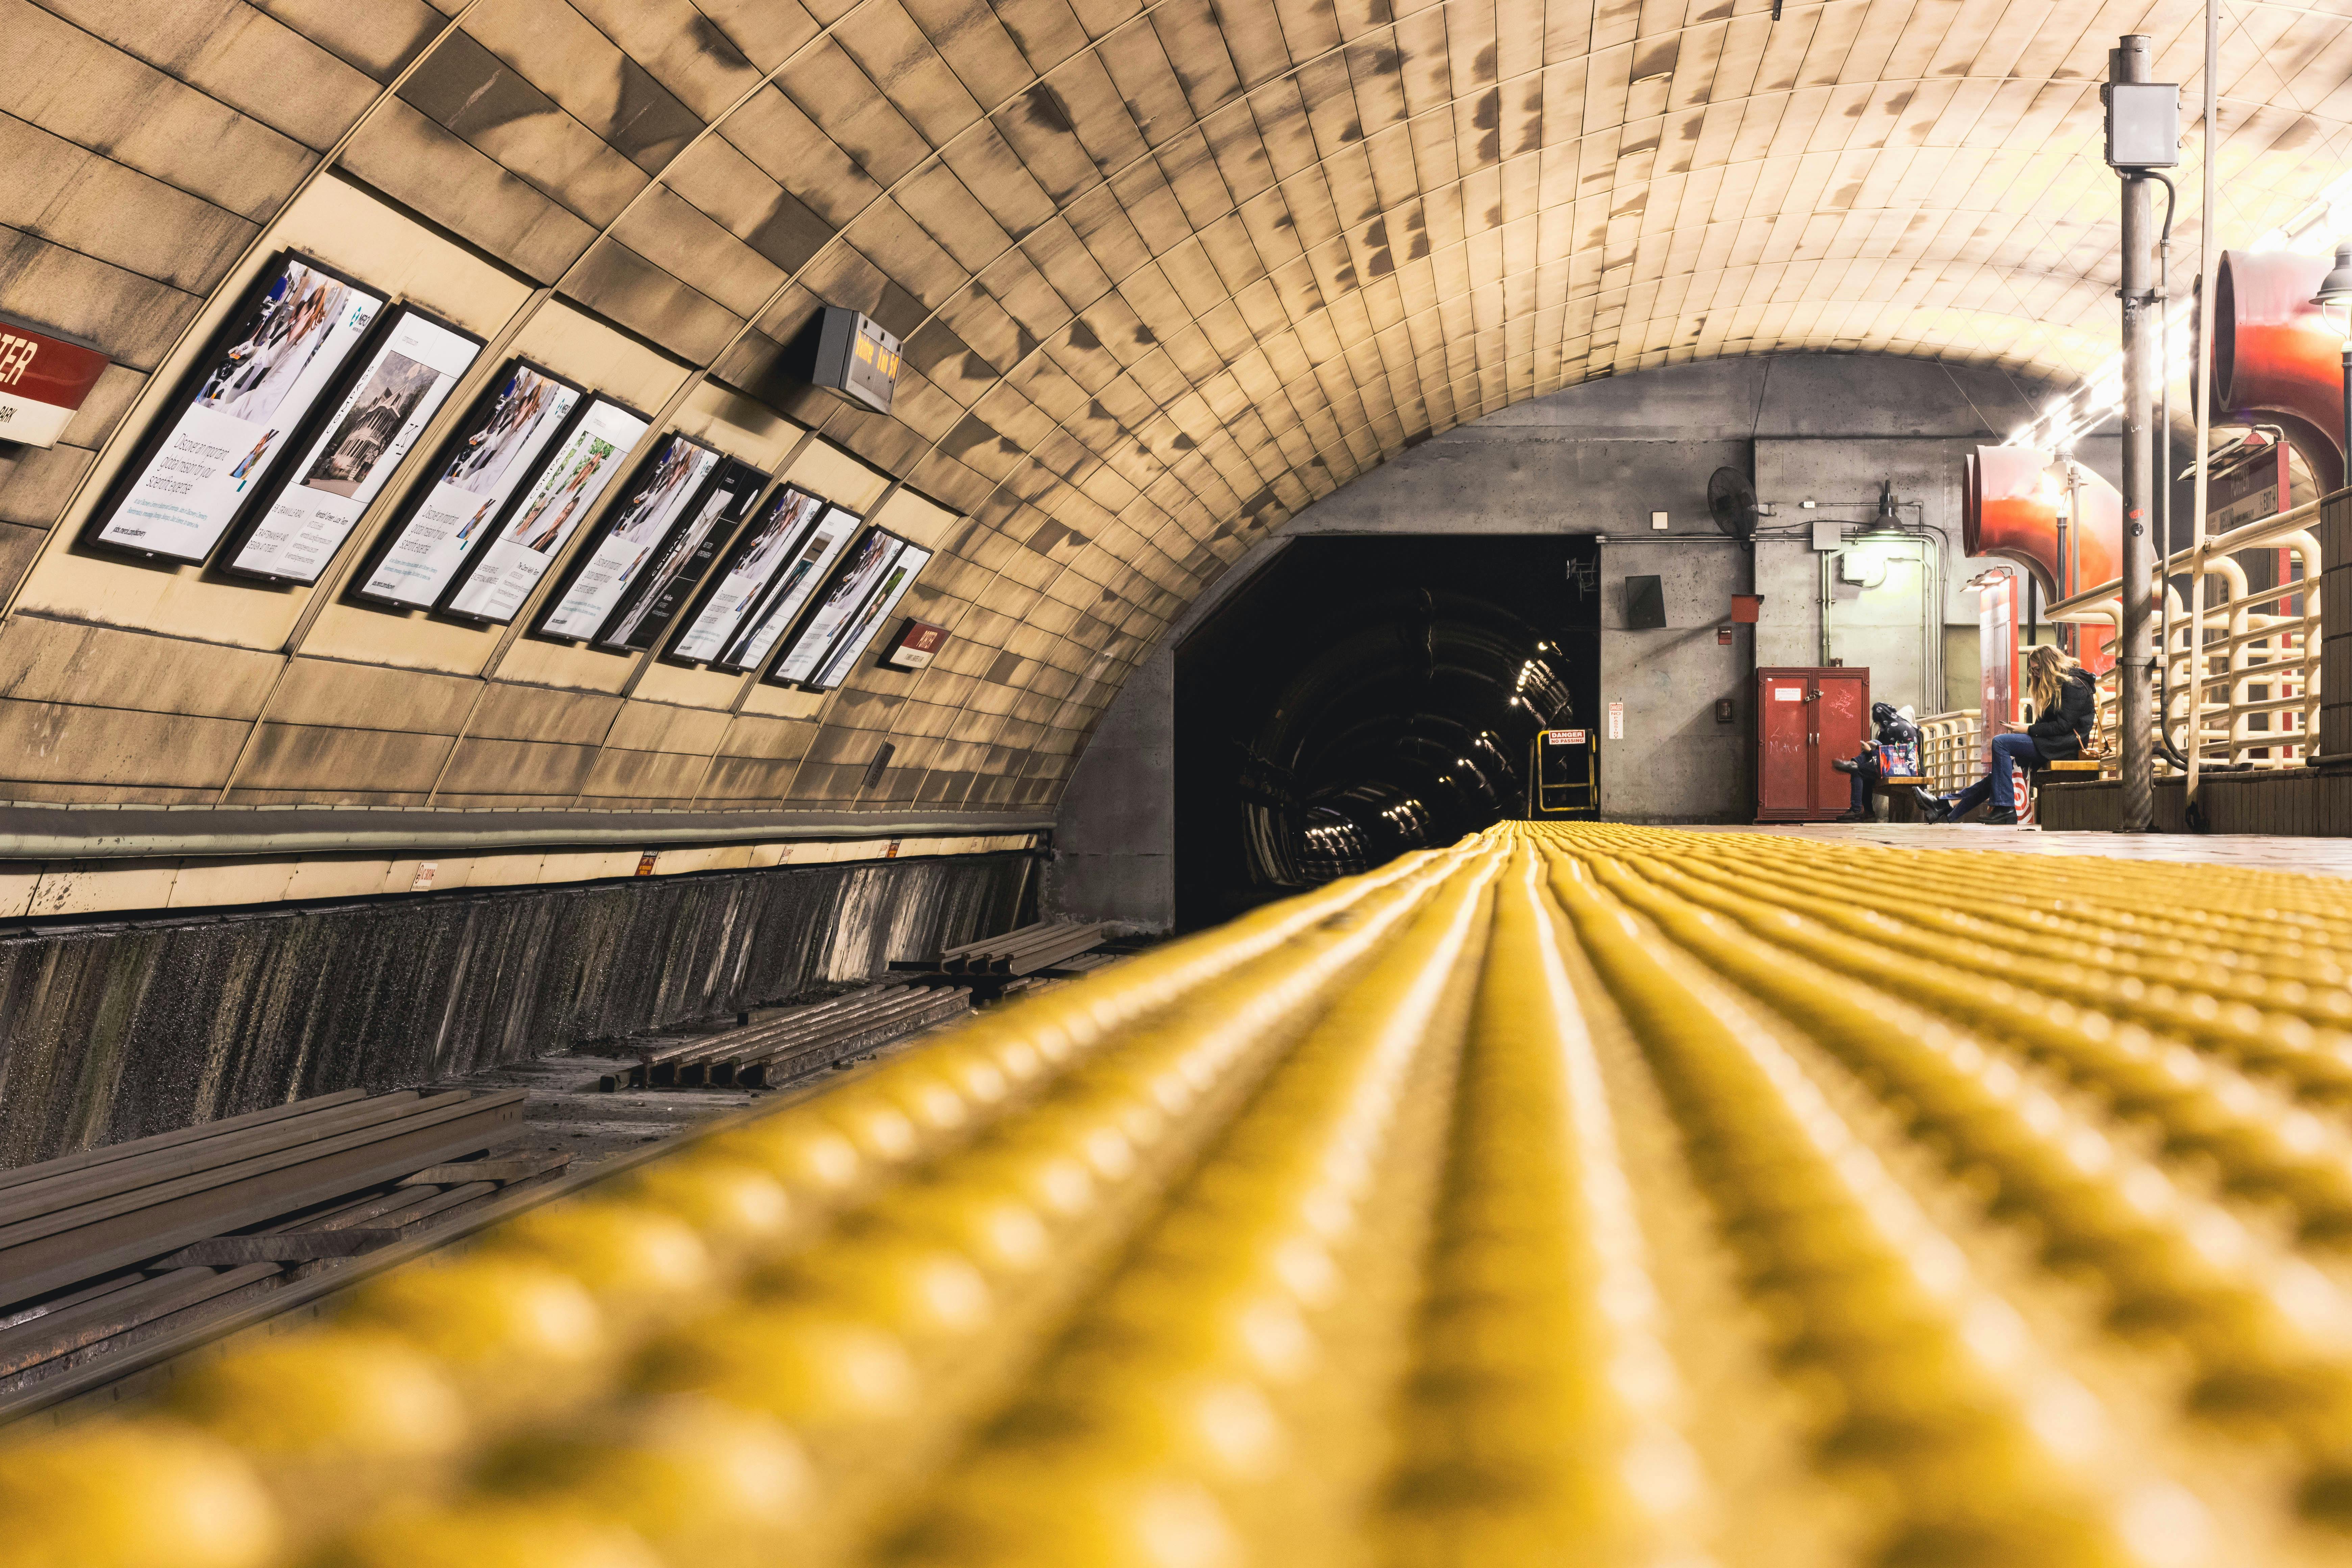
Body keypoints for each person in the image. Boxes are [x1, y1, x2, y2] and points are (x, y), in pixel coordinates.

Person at [1918, 644, 2094, 825]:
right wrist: (2029, 729)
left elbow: (2063, 726)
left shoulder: (2074, 686)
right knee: (1999, 775)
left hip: (2065, 747)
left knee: (2001, 742)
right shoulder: (2060, 684)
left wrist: (2027, 730)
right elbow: (2052, 724)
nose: (2035, 675)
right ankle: (1944, 805)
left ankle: (2005, 807)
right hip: (2052, 743)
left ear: (2049, 666)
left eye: (2038, 670)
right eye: (2032, 670)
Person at [1830, 702, 1921, 821]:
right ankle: (1867, 811)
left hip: (1900, 768)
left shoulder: (1890, 729)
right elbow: (1893, 751)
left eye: (1878, 722)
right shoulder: (1903, 724)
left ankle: (1857, 810)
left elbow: (1888, 757)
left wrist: (1871, 751)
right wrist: (1875, 748)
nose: (1879, 725)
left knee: (1859, 771)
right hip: (1909, 767)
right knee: (1869, 763)